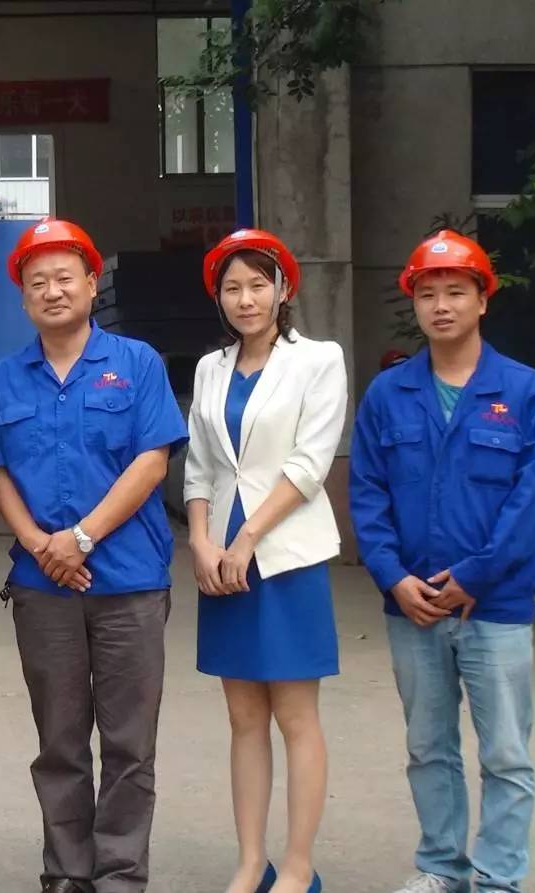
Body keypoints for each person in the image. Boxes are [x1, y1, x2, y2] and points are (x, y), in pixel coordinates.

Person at [349, 230, 535, 893]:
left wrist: (474, 575)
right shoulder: (388, 394)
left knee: (505, 753)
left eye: (455, 292)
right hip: (411, 606)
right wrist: (392, 577)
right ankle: (441, 866)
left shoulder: (522, 391)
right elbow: (367, 494)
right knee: (428, 747)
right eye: (427, 294)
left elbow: (532, 499)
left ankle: (497, 876)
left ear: (481, 300)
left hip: (494, 607)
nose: (441, 306)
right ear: (414, 304)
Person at [0, 218, 188, 893]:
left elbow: (152, 460)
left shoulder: (137, 363)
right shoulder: (6, 378)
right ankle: (67, 873)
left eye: (64, 277)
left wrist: (81, 537)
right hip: (43, 586)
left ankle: (120, 874)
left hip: (129, 582)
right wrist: (39, 544)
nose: (52, 290)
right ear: (23, 297)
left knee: (129, 743)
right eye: (36, 281)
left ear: (92, 284)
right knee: (59, 742)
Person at [185, 229, 347, 893]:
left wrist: (248, 536)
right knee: (243, 718)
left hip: (285, 556)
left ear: (283, 290)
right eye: (232, 287)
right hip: (221, 557)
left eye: (258, 284)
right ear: (218, 297)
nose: (245, 299)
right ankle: (251, 861)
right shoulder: (209, 368)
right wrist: (201, 540)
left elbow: (309, 464)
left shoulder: (319, 360)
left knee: (295, 716)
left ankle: (299, 866)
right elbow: (199, 466)